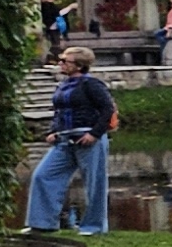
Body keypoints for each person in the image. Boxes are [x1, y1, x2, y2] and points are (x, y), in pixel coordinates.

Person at [25, 44, 117, 235]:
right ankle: (42, 224)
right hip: (65, 139)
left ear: (79, 65)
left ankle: (94, 227)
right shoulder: (63, 85)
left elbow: (108, 110)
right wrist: (54, 131)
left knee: (94, 183)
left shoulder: (91, 84)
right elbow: (60, 112)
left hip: (88, 138)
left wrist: (94, 134)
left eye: (65, 61)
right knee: (43, 175)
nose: (60, 64)